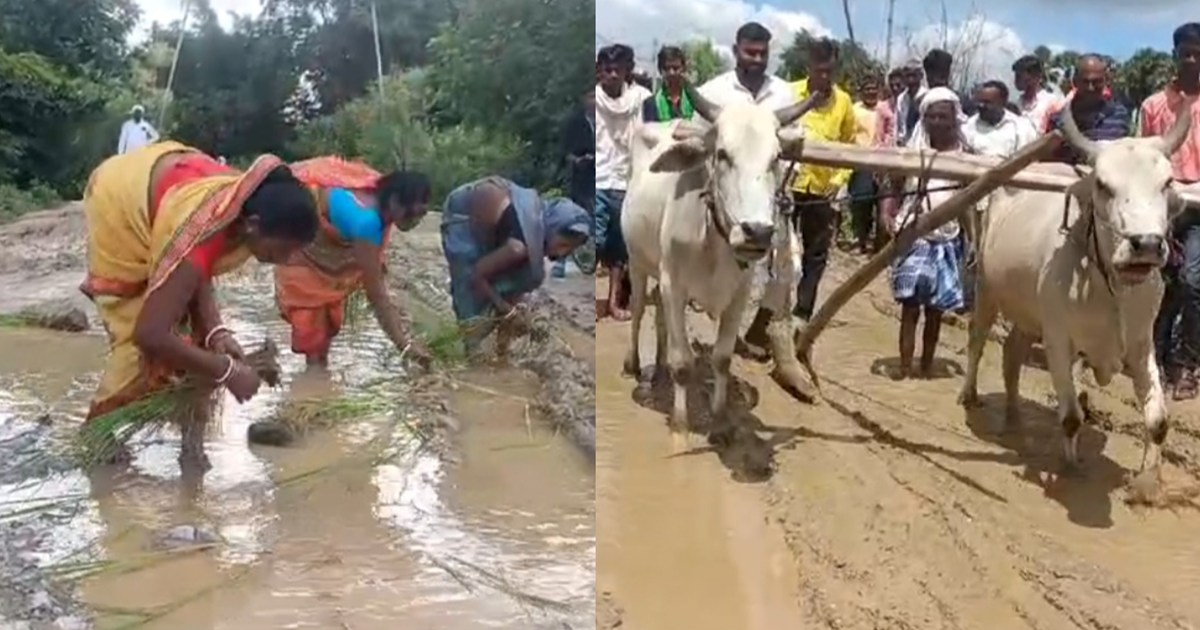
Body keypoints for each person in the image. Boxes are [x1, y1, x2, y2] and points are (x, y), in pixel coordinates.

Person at [81, 141, 318, 466]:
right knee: (139, 346)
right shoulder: (204, 229)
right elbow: (150, 334)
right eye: (285, 249)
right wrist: (227, 371)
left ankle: (192, 451)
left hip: (172, 185)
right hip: (120, 197)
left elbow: (196, 266)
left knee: (199, 341)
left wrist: (217, 332)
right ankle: (96, 433)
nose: (288, 260)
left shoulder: (236, 206)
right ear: (253, 225)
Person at [273, 158, 434, 370]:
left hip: (324, 248)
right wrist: (404, 345)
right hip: (303, 254)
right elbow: (377, 296)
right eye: (412, 213)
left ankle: (318, 376)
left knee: (323, 334)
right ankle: (314, 383)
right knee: (313, 339)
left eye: (422, 214)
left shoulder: (377, 197)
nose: (416, 221)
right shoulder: (367, 223)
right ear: (395, 201)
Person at [440, 177, 589, 356]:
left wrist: (515, 311)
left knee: (520, 288)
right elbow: (476, 275)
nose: (563, 253)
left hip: (498, 221)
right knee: (471, 305)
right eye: (563, 244)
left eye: (570, 249)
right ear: (552, 227)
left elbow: (518, 286)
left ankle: (502, 351)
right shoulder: (517, 248)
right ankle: (471, 352)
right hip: (464, 215)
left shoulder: (536, 232)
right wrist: (504, 307)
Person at [887, 88, 968, 379]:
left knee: (935, 310)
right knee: (910, 307)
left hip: (948, 236)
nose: (936, 122)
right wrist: (888, 212)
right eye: (931, 116)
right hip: (914, 233)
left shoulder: (966, 156)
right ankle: (905, 368)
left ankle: (926, 367)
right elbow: (894, 185)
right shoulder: (913, 152)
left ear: (954, 118)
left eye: (942, 116)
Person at [1142, 22, 1200, 398]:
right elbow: (1145, 159)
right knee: (1156, 281)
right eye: (1185, 53)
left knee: (1193, 282)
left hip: (1199, 211)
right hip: (1161, 206)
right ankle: (1152, 357)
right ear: (1174, 55)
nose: (1192, 60)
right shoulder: (1153, 106)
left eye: (1198, 54)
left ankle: (1186, 364)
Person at [786, 37, 857, 322]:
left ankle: (802, 314)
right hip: (787, 186)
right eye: (819, 70)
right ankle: (772, 310)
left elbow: (850, 144)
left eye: (830, 71)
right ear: (809, 67)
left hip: (822, 189)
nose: (824, 76)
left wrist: (838, 180)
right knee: (779, 249)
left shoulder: (844, 102)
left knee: (815, 255)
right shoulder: (790, 93)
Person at [595, 44, 651, 320]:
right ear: (599, 71)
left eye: (618, 69)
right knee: (594, 242)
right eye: (607, 69)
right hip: (597, 181)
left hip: (628, 182)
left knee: (620, 249)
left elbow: (655, 131)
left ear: (628, 71)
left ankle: (613, 302)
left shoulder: (642, 99)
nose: (613, 75)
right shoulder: (591, 100)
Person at [1044, 54, 1131, 164]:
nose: (1091, 88)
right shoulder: (1058, 120)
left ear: (1105, 81)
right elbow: (1047, 161)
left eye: (1097, 82)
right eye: (1085, 82)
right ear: (1075, 82)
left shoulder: (1119, 116)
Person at [554, 88, 595, 279]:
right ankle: (560, 261)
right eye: (591, 97)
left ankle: (595, 260)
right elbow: (565, 151)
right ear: (584, 100)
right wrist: (577, 160)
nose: (594, 101)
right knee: (573, 219)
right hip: (580, 177)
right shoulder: (575, 123)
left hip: (600, 176)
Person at [849, 74, 883, 254]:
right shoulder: (854, 110)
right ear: (861, 92)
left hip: (883, 162)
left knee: (883, 204)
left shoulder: (884, 109)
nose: (871, 92)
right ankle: (860, 239)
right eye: (867, 89)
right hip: (861, 161)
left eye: (874, 88)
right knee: (861, 202)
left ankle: (880, 244)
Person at [964, 80, 1037, 158]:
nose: (981, 106)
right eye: (980, 102)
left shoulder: (1021, 128)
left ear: (1003, 103)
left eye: (987, 102)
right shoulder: (968, 126)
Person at [642, 46, 694, 123]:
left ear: (683, 69)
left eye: (675, 68)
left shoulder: (693, 101)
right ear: (660, 70)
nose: (671, 73)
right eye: (666, 68)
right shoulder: (651, 104)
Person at [1012, 54, 1062, 132]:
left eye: (1019, 76)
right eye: (1016, 76)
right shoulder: (1018, 102)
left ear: (1035, 76)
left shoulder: (1050, 102)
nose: (1015, 80)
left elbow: (1056, 133)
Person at [895, 60, 926, 145]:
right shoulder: (901, 99)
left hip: (922, 145)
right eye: (907, 75)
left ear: (921, 76)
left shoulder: (927, 97)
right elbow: (900, 124)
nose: (910, 79)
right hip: (904, 145)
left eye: (914, 75)